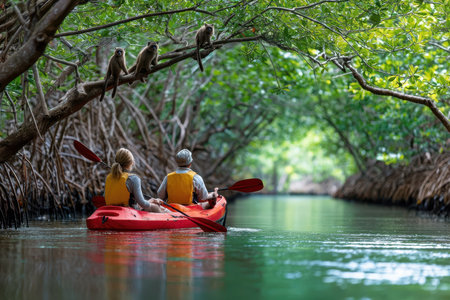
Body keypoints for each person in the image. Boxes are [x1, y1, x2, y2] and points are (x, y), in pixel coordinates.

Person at [105, 148, 169, 213]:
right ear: (130, 163)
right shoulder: (133, 179)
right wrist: (154, 204)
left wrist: (152, 200)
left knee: (151, 203)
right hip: (127, 212)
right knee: (155, 207)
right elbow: (143, 204)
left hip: (111, 210)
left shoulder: (108, 177)